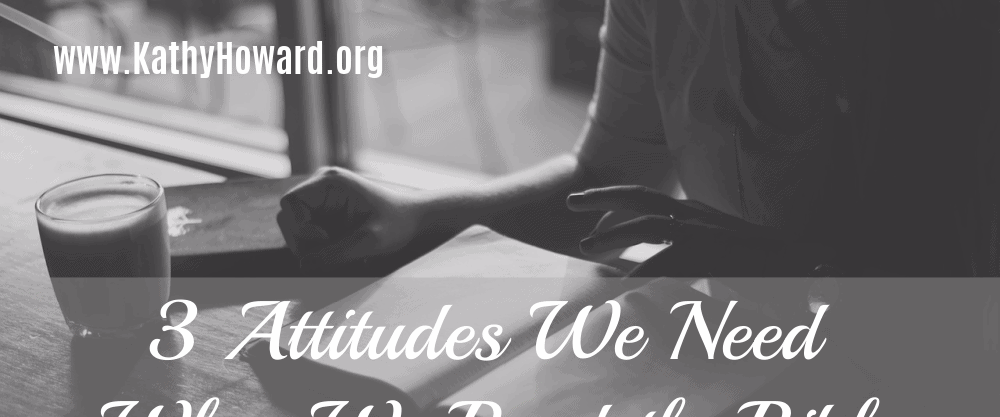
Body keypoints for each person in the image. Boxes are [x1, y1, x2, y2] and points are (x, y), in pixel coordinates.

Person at [278, 0, 997, 278]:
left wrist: (741, 256)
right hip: (747, 367)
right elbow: (610, 173)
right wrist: (415, 213)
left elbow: (939, 274)